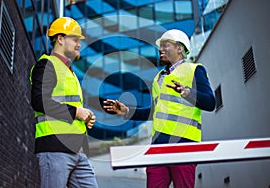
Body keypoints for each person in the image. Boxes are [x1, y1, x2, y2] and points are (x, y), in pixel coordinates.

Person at [103, 29, 215, 188]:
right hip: (158, 145)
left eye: (166, 45)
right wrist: (127, 111)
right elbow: (155, 111)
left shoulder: (194, 70)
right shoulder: (159, 78)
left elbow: (210, 102)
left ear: (179, 48)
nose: (160, 49)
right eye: (160, 46)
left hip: (184, 143)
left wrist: (188, 93)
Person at [30, 17, 98, 188]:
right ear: (60, 39)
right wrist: (76, 112)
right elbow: (39, 101)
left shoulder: (70, 72)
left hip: (78, 150)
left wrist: (85, 116)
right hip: (54, 149)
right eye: (75, 39)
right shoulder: (47, 65)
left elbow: (69, 103)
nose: (79, 44)